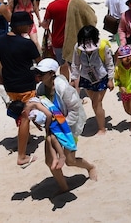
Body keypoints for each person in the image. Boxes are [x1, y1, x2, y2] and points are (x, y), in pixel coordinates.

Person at [33, 58, 97, 193]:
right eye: (37, 73)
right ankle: (64, 188)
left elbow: (74, 110)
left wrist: (62, 128)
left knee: (70, 160)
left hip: (70, 126)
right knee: (49, 160)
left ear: (51, 73)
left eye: (41, 73)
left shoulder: (63, 88)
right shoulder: (41, 89)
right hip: (53, 128)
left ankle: (90, 167)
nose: (38, 76)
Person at [0, 11, 41, 167]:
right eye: (28, 24)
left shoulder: (0, 41)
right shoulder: (26, 44)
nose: (30, 26)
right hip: (26, 85)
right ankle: (22, 156)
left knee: (19, 111)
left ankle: (24, 137)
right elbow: (39, 62)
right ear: (21, 25)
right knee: (25, 116)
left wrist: (0, 79)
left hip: (10, 86)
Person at [69, 25, 115, 135]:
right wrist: (73, 78)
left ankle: (101, 128)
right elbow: (75, 64)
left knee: (95, 103)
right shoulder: (77, 48)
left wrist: (110, 79)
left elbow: (109, 63)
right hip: (86, 78)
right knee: (96, 103)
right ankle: (101, 115)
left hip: (101, 78)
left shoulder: (103, 47)